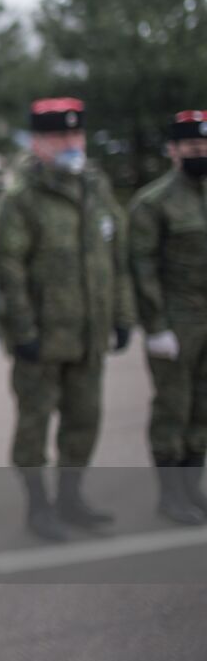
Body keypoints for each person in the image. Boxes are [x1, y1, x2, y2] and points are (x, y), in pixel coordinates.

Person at [0, 97, 135, 541]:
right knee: (34, 428)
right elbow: (7, 270)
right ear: (38, 143)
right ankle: (39, 506)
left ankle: (72, 499)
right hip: (42, 338)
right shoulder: (22, 198)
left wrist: (121, 316)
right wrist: (23, 332)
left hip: (88, 336)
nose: (71, 143)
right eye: (59, 136)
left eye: (76, 135)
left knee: (84, 420)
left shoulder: (96, 188)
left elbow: (116, 258)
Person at [128, 109, 207, 525]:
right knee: (173, 409)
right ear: (174, 151)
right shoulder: (153, 202)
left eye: (205, 147)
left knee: (202, 409)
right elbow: (141, 268)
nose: (200, 154)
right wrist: (155, 326)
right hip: (176, 324)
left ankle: (193, 486)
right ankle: (170, 494)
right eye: (193, 147)